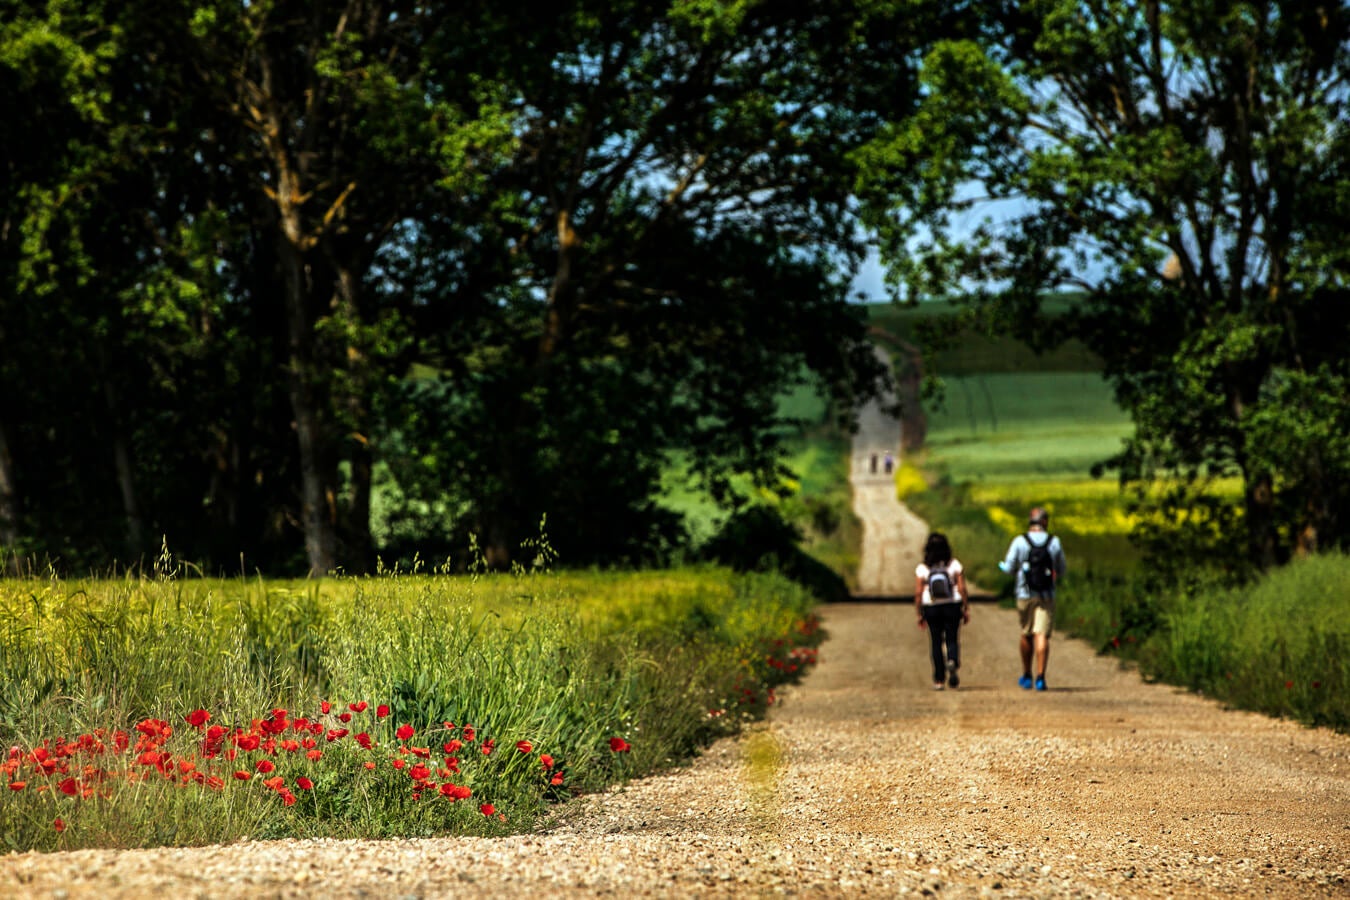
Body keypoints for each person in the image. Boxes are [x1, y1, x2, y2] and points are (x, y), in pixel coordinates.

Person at [1001, 507, 1067, 692]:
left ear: (1030, 521)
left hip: (1024, 593)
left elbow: (1008, 568)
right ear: (1045, 522)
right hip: (1046, 594)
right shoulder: (1054, 542)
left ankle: (1026, 674)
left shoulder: (1020, 541)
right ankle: (1041, 677)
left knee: (1026, 633)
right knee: (1042, 634)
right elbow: (1062, 569)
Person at [915, 532, 970, 690]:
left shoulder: (922, 568)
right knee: (952, 638)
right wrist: (965, 607)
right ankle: (952, 660)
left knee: (936, 642)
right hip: (952, 605)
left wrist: (919, 613)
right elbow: (962, 588)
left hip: (931, 606)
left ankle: (939, 679)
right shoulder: (954, 565)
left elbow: (918, 593)